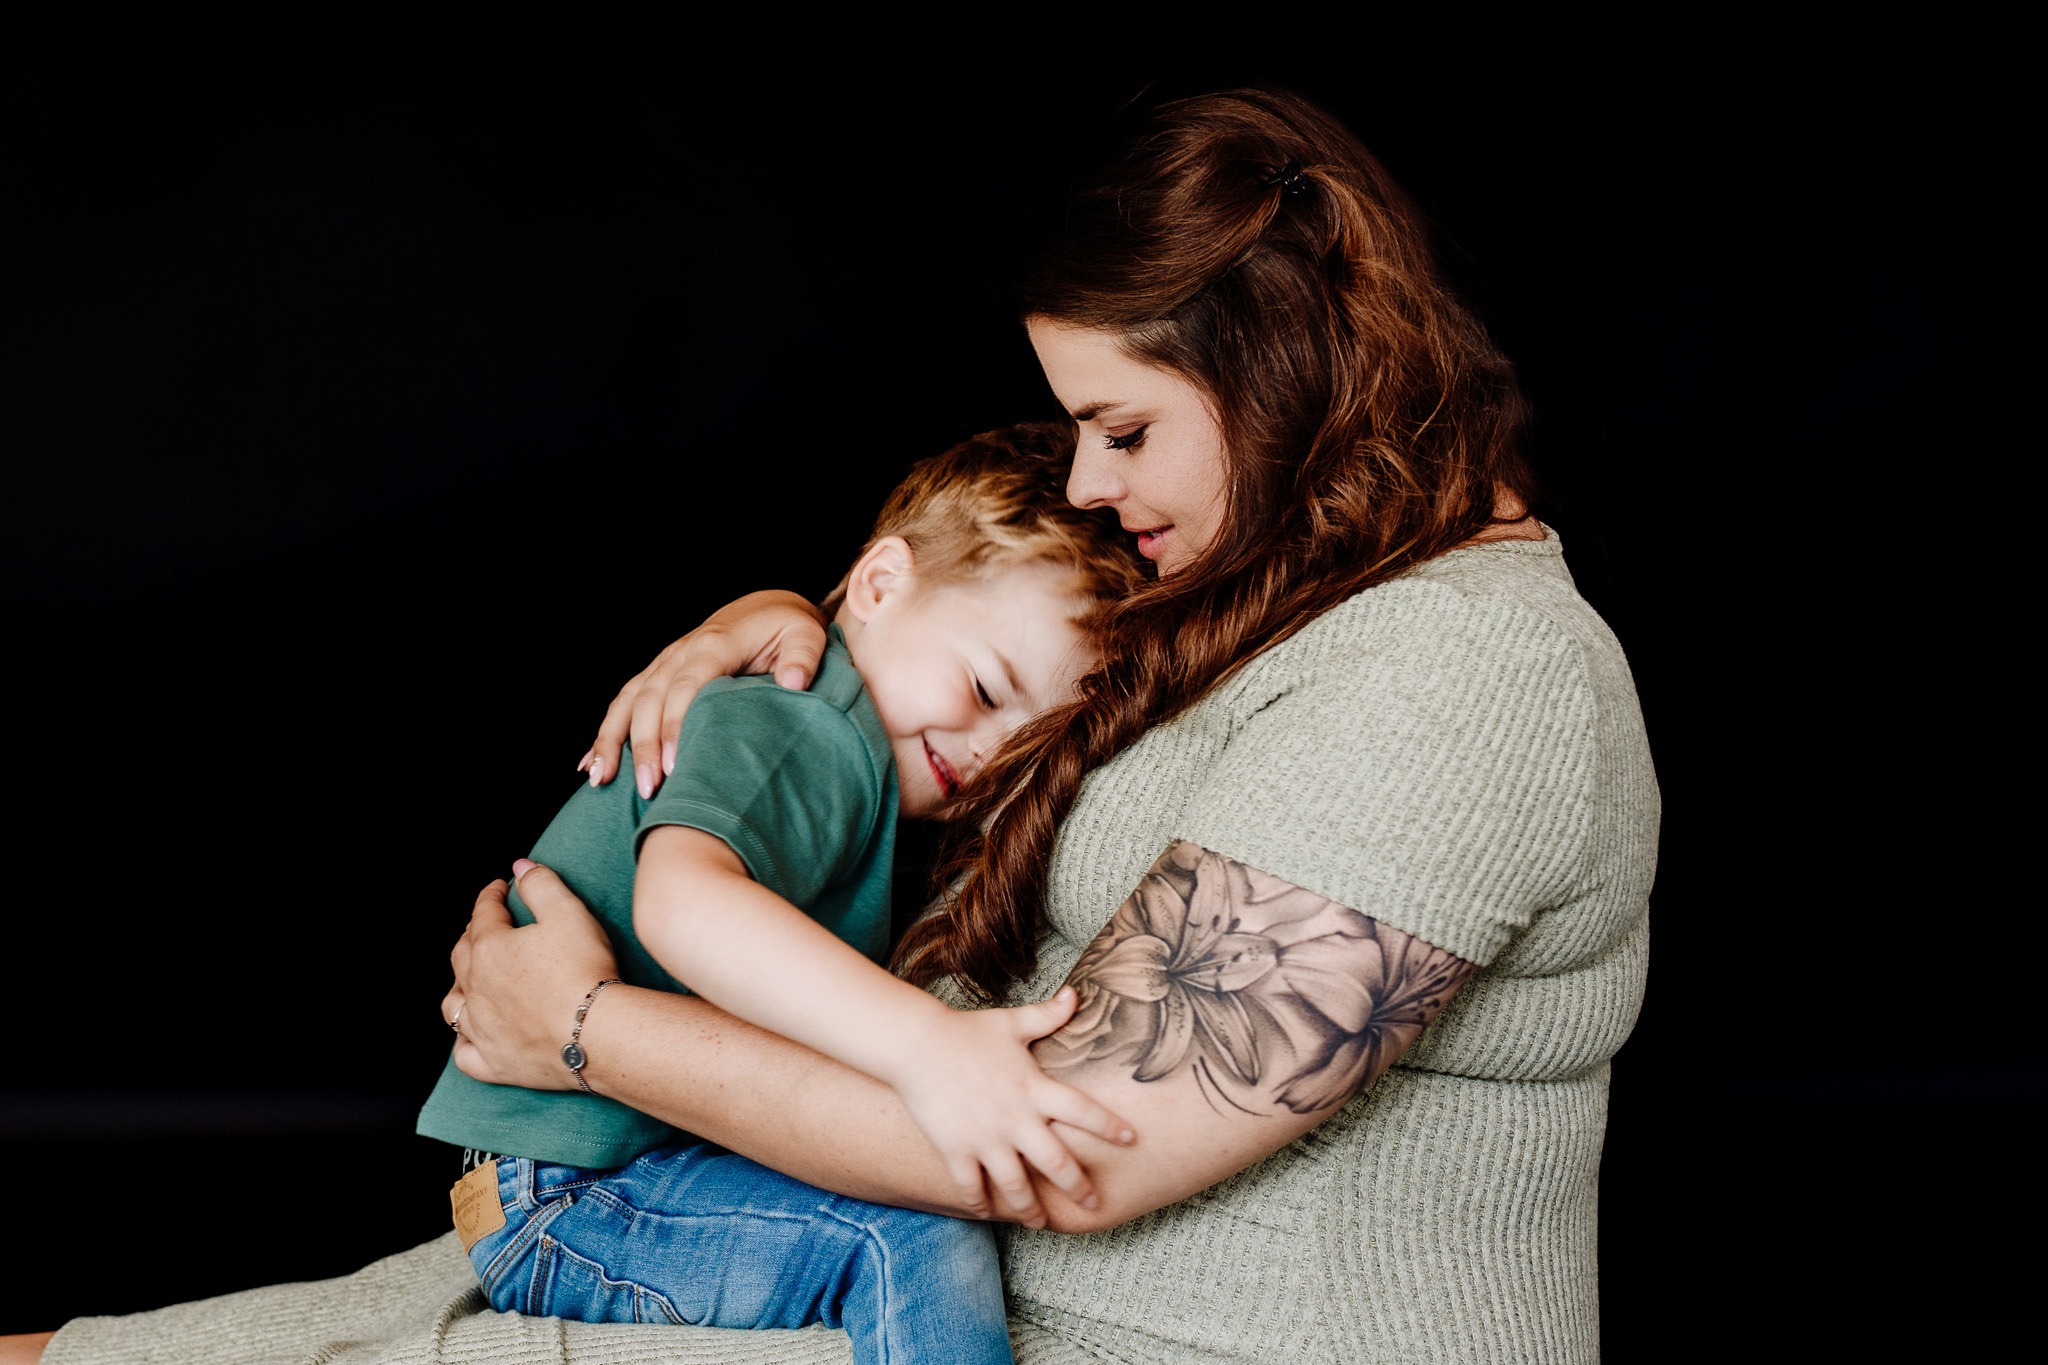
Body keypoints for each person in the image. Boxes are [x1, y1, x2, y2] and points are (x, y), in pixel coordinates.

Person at [12, 83, 1657, 1365]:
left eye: (1122, 426)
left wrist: (578, 1025)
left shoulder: (1464, 673)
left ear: (1281, 363)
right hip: (871, 1271)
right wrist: (780, 624)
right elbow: (946, 645)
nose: (1091, 481)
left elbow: (1076, 1146)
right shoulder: (1272, 593)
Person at [415, 422, 1145, 1365]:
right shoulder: (814, 728)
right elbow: (684, 906)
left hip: (592, 1173)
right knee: (909, 1237)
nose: (990, 751)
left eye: (1028, 743)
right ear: (880, 585)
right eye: (983, 686)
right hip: (570, 1189)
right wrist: (929, 1048)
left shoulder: (855, 746)